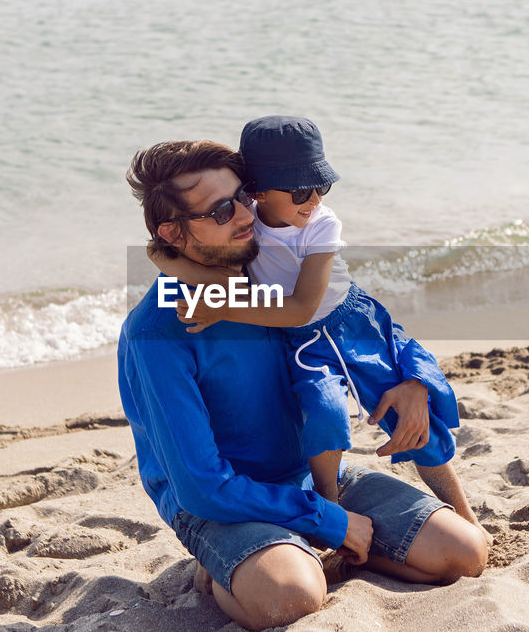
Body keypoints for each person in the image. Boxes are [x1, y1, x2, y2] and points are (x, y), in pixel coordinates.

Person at [118, 139, 488, 631]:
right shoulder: (157, 330)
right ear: (173, 233)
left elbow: (362, 319)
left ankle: (303, 557)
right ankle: (232, 565)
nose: (246, 215)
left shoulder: (276, 273)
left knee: (464, 553)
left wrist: (416, 379)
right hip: (217, 506)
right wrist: (333, 522)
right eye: (223, 210)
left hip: (312, 479)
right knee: (289, 597)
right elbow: (202, 487)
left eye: (245, 197)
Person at [152, 116, 480, 528]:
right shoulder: (242, 219)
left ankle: (466, 514)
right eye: (299, 190)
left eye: (321, 186)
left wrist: (221, 306)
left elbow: (304, 306)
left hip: (348, 323)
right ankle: (330, 505)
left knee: (416, 424)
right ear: (258, 192)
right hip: (301, 342)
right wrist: (165, 258)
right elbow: (165, 254)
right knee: (324, 412)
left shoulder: (321, 224)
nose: (313, 199)